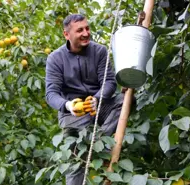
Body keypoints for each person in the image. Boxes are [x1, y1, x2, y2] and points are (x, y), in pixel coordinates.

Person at [45, 14, 124, 185]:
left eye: (87, 28)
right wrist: (68, 105)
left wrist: (97, 99)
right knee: (75, 167)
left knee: (124, 100)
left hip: (98, 106)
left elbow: (109, 82)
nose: (86, 33)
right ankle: (98, 144)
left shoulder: (100, 51)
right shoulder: (55, 58)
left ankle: (99, 142)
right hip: (73, 115)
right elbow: (51, 94)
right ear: (67, 34)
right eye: (79, 30)